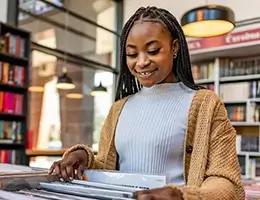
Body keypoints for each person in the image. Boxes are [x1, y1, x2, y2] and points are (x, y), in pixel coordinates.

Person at [49, 6, 245, 200]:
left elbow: (226, 181)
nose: (141, 62)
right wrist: (83, 157)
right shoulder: (118, 109)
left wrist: (182, 196)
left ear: (175, 47)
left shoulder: (206, 105)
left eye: (153, 50)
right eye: (132, 54)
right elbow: (108, 167)